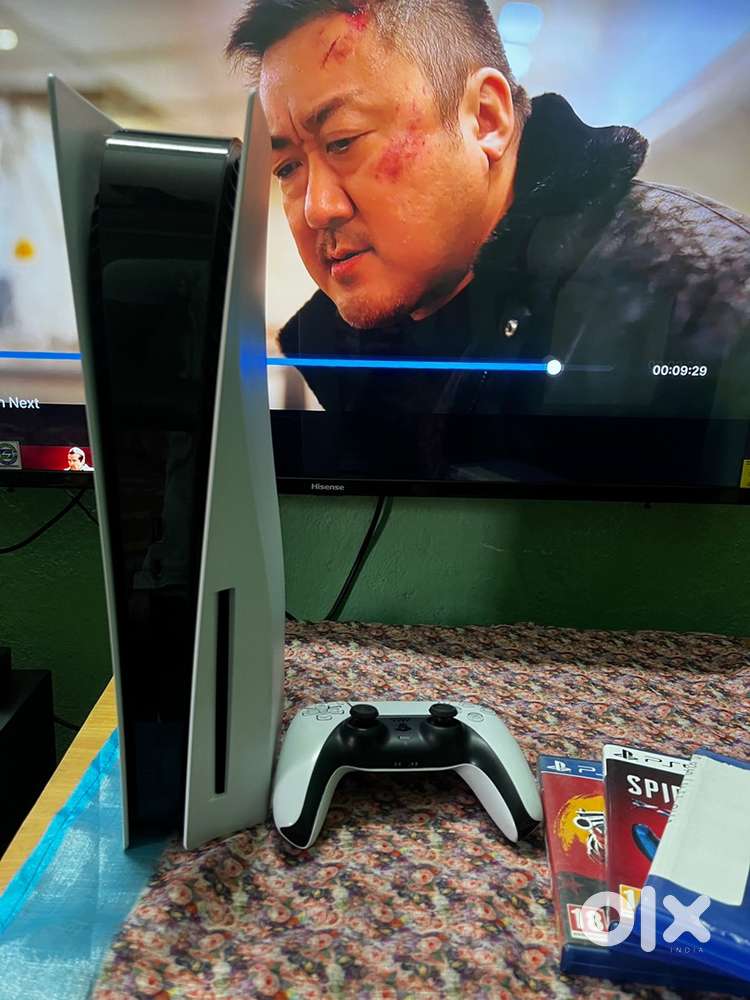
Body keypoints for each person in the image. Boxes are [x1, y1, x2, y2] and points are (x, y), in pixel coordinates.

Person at [226, 0, 750, 416]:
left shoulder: (702, 292)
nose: (317, 209)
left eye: (343, 141)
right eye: (287, 169)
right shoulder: (342, 356)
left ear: (485, 117)